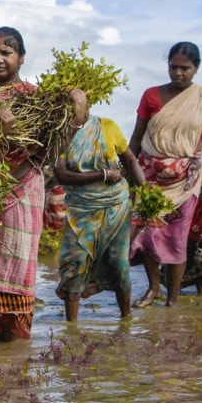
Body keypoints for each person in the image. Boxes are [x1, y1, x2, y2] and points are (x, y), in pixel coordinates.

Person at [0, 27, 81, 341]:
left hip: (21, 192)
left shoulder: (38, 100)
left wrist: (78, 111)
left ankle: (12, 346)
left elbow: (51, 150)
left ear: (21, 57)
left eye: (6, 52)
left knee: (14, 267)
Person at [129, 42, 202, 308]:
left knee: (177, 236)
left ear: (196, 69)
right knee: (148, 233)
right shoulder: (151, 95)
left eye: (186, 68)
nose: (179, 73)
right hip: (149, 176)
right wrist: (126, 171)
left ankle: (172, 298)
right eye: (174, 67)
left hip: (186, 180)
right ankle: (152, 288)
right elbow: (137, 137)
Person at [54, 116, 144, 321]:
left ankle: (126, 319)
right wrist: (102, 174)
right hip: (80, 208)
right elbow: (61, 174)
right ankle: (72, 328)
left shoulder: (107, 126)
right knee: (73, 262)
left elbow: (129, 159)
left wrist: (145, 191)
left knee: (118, 263)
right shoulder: (60, 134)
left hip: (115, 206)